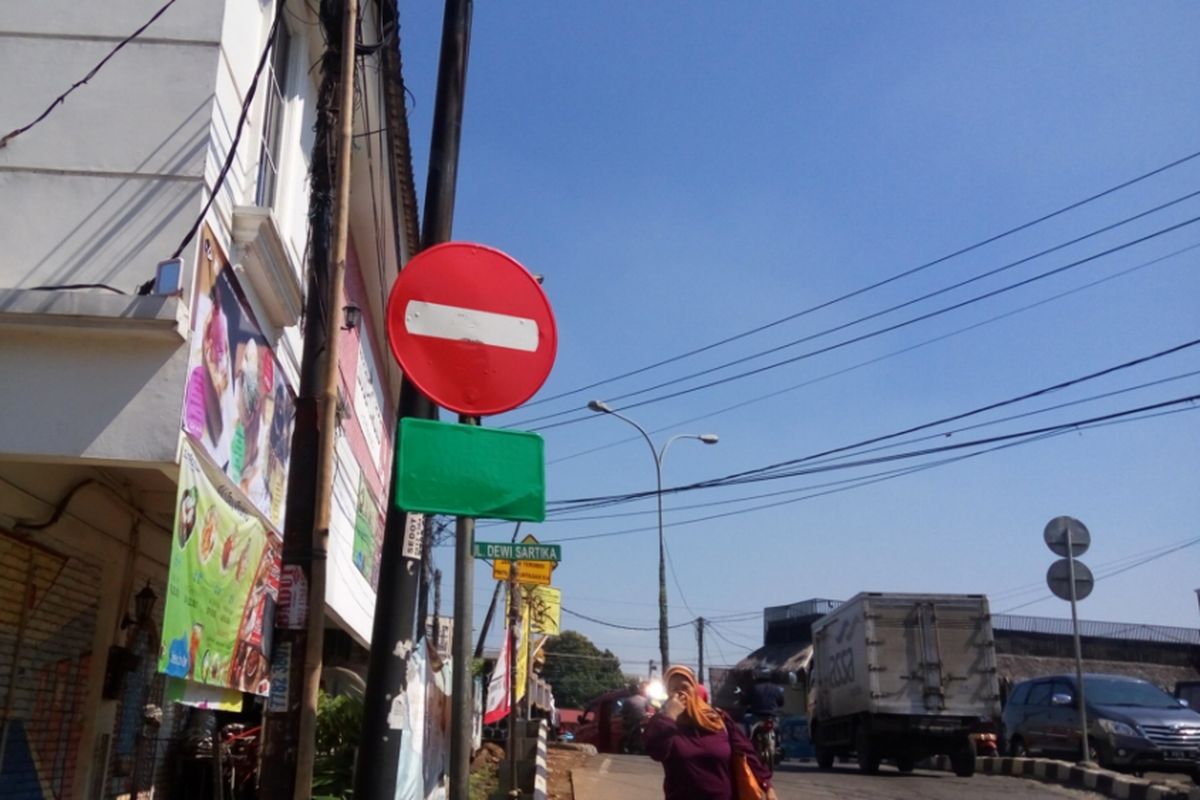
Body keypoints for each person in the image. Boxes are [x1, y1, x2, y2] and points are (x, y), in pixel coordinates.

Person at [644, 665, 777, 800]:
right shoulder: (664, 723)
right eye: (674, 689)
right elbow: (656, 751)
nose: (680, 693)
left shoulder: (718, 719)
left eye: (685, 687)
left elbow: (747, 752)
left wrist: (767, 786)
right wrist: (670, 716)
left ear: (694, 689)